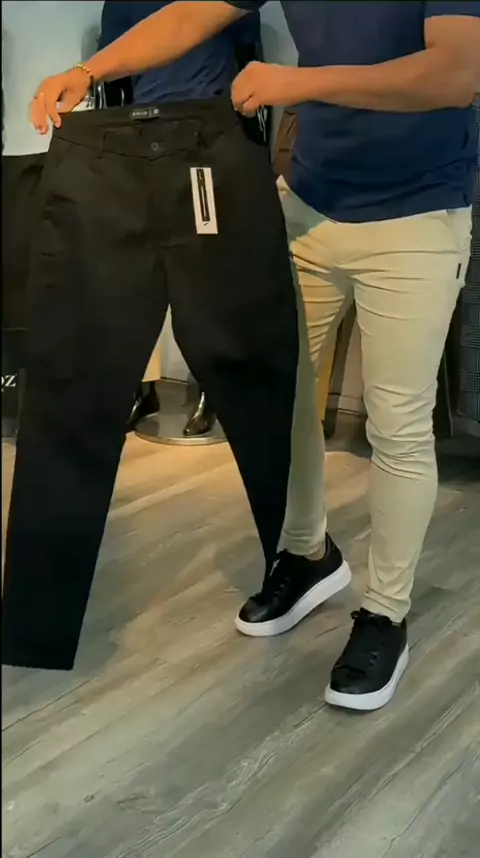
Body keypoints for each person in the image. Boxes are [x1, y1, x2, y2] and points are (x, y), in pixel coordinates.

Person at [29, 1, 479, 710]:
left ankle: (385, 614)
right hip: (307, 204)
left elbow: (455, 74)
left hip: (417, 215)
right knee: (281, 397)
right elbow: (190, 14)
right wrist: (89, 71)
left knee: (397, 425)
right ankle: (306, 555)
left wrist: (299, 85)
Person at [98, 1, 264, 436]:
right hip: (145, 138)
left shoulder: (226, 4)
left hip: (207, 137)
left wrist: (250, 148)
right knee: (138, 270)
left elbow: (251, 63)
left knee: (208, 267)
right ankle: (141, 385)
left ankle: (212, 385)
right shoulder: (122, 3)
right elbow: (114, 84)